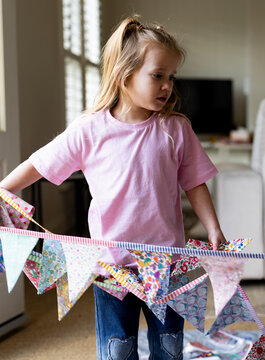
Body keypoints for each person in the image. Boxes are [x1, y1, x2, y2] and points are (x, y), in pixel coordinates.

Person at [0, 16, 226, 360]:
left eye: (171, 77)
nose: (168, 86)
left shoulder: (175, 129)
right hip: (111, 266)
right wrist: (5, 187)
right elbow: (40, 163)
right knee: (117, 349)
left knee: (169, 346)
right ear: (125, 75)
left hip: (166, 264)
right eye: (157, 76)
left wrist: (213, 228)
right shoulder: (89, 129)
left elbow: (195, 181)